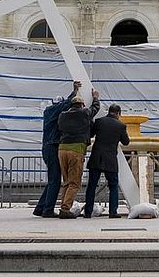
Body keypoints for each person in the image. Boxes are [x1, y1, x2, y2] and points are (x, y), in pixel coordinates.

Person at [32, 80, 80, 217]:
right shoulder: (52, 111)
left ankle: (40, 208)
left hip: (49, 147)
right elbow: (65, 105)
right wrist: (74, 92)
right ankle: (47, 210)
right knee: (54, 181)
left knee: (53, 180)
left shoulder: (49, 112)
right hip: (52, 147)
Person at [56, 87, 100, 218]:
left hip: (62, 149)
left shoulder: (62, 115)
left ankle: (63, 206)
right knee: (75, 182)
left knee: (66, 181)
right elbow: (95, 109)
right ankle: (65, 209)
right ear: (81, 105)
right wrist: (96, 97)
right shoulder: (84, 113)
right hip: (76, 150)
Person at [82, 104, 130, 219]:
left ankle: (88, 212)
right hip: (110, 159)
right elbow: (126, 142)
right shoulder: (121, 126)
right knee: (113, 185)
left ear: (109, 111)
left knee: (92, 185)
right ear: (119, 113)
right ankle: (112, 212)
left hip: (96, 157)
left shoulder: (99, 121)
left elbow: (91, 134)